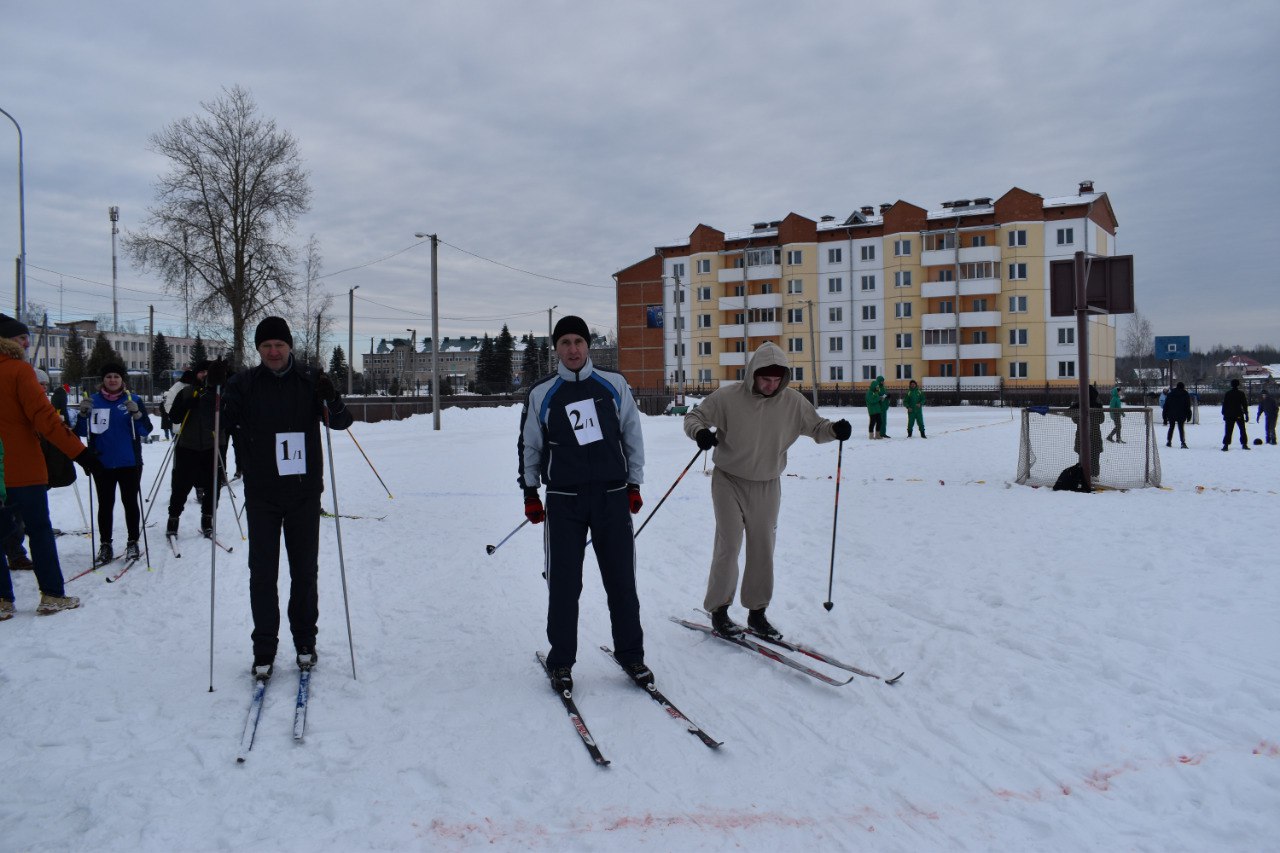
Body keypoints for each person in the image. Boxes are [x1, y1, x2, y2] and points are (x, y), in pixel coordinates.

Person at [683, 341, 851, 640]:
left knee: (763, 548)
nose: (771, 385)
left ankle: (757, 613)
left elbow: (817, 428)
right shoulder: (728, 397)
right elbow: (694, 417)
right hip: (728, 480)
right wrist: (701, 433)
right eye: (765, 378)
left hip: (767, 484)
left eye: (777, 380)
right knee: (730, 543)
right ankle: (719, 610)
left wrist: (836, 430)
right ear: (753, 374)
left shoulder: (793, 402)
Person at [518, 315, 649, 694]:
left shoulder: (614, 385)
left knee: (622, 582)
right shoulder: (543, 393)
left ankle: (631, 654)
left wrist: (634, 483)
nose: (572, 349)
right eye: (565, 343)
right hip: (564, 501)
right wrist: (530, 492)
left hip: (611, 498)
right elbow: (530, 445)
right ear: (556, 348)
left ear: (588, 345)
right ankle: (561, 661)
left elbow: (632, 436)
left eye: (578, 341)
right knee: (563, 585)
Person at [221, 317, 353, 679]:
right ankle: (264, 647)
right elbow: (224, 422)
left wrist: (332, 397)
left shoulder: (310, 381)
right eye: (266, 346)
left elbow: (342, 422)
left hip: (303, 493)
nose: (274, 352)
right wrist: (214, 395)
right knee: (262, 573)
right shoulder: (244, 383)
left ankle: (305, 642)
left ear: (290, 346)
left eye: (279, 345)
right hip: (262, 493)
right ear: (258, 350)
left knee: (304, 572)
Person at [0, 313, 102, 616]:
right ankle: (52, 594)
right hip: (23, 471)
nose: (27, 342)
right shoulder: (19, 371)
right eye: (21, 338)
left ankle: (3, 600)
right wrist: (80, 453)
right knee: (39, 531)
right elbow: (44, 419)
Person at [73, 362, 152, 563]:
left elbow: (146, 430)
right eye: (109, 377)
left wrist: (137, 414)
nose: (113, 380)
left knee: (130, 503)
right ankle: (105, 544)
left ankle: (133, 542)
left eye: (116, 376)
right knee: (105, 505)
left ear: (122, 380)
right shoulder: (93, 401)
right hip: (102, 463)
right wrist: (83, 414)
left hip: (130, 462)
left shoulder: (132, 399)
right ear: (103, 380)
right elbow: (81, 433)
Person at [166, 361, 228, 538]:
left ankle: (208, 519)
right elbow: (174, 417)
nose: (206, 375)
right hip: (188, 445)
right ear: (196, 374)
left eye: (210, 372)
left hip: (212, 444)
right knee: (180, 485)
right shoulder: (186, 391)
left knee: (213, 485)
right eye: (202, 372)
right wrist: (187, 405)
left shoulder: (221, 393)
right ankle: (173, 518)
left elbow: (230, 417)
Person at [1220, 378, 1250, 451]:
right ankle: (1244, 444)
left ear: (1231, 384)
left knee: (1228, 430)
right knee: (1242, 429)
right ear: (1238, 384)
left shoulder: (1228, 393)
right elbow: (1244, 404)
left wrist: (1224, 414)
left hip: (1229, 415)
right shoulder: (1241, 393)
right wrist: (1246, 414)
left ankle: (1226, 445)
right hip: (1239, 414)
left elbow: (1225, 404)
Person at [1163, 381, 1192, 448]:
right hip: (1181, 414)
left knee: (1171, 427)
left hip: (1171, 414)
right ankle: (1183, 442)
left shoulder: (1170, 394)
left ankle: (1169, 441)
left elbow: (1166, 406)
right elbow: (1187, 406)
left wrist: (1164, 417)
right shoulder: (1185, 394)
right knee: (1181, 428)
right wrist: (1189, 415)